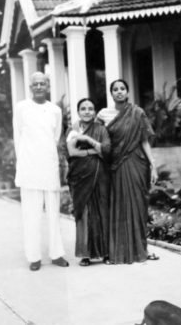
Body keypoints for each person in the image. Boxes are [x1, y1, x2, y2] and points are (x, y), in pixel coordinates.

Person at [97, 79, 159, 264]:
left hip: (137, 163)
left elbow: (144, 140)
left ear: (128, 92)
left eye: (122, 89)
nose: (119, 92)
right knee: (119, 207)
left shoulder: (137, 113)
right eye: (115, 89)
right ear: (111, 93)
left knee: (139, 207)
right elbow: (95, 134)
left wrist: (153, 165)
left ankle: (141, 250)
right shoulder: (104, 115)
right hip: (116, 166)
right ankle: (118, 251)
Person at [13, 71, 69, 271]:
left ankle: (56, 254)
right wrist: (22, 163)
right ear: (30, 87)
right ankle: (34, 257)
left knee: (53, 212)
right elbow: (18, 137)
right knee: (31, 214)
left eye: (42, 83)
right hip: (29, 167)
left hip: (48, 166)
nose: (38, 87)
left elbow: (55, 137)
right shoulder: (21, 108)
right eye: (35, 84)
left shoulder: (55, 110)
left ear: (48, 86)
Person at [66, 98, 111, 266]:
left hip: (100, 177)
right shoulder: (73, 129)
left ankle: (106, 253)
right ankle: (85, 255)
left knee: (102, 213)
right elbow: (71, 152)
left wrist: (89, 141)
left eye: (90, 108)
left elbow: (106, 150)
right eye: (83, 108)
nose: (87, 111)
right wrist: (93, 151)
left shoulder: (101, 129)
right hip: (80, 177)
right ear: (78, 112)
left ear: (94, 112)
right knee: (83, 214)